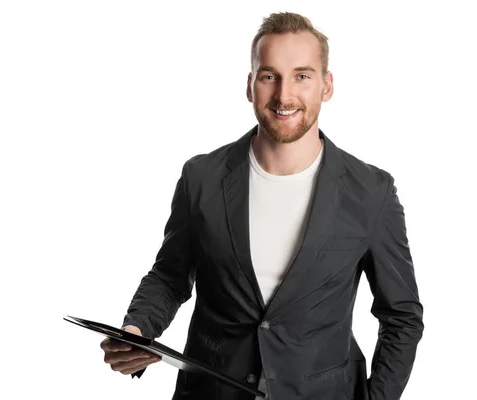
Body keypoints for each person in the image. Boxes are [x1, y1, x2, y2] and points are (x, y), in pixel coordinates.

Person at [100, 11, 424, 400]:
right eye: (269, 76)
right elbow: (170, 276)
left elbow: (401, 316)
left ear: (327, 85)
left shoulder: (372, 191)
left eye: (302, 76)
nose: (285, 95)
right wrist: (138, 330)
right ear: (251, 86)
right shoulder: (200, 177)